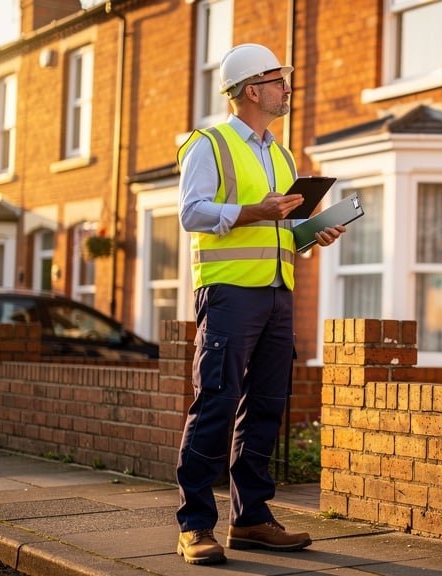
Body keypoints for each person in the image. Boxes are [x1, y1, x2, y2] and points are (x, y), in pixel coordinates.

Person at [174, 43, 345, 566]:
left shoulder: (281, 152)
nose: (287, 87)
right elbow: (192, 213)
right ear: (252, 89)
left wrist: (311, 233)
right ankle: (195, 525)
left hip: (276, 291)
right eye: (279, 79)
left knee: (266, 405)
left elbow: (280, 226)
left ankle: (250, 518)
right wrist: (255, 210)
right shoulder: (210, 143)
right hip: (228, 293)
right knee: (217, 402)